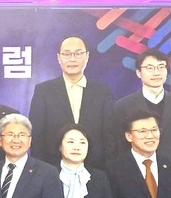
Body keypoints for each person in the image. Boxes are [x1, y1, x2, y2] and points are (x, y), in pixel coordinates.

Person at [29, 36, 115, 169]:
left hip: (94, 167)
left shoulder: (102, 92)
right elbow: (37, 135)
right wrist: (42, 170)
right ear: (58, 57)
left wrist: (106, 169)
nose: (72, 59)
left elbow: (109, 134)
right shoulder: (44, 91)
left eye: (78, 53)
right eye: (67, 54)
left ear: (87, 56)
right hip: (53, 168)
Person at [114, 49, 171, 165]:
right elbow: (119, 146)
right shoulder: (123, 105)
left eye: (161, 67)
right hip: (135, 170)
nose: (157, 73)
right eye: (150, 68)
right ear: (138, 72)